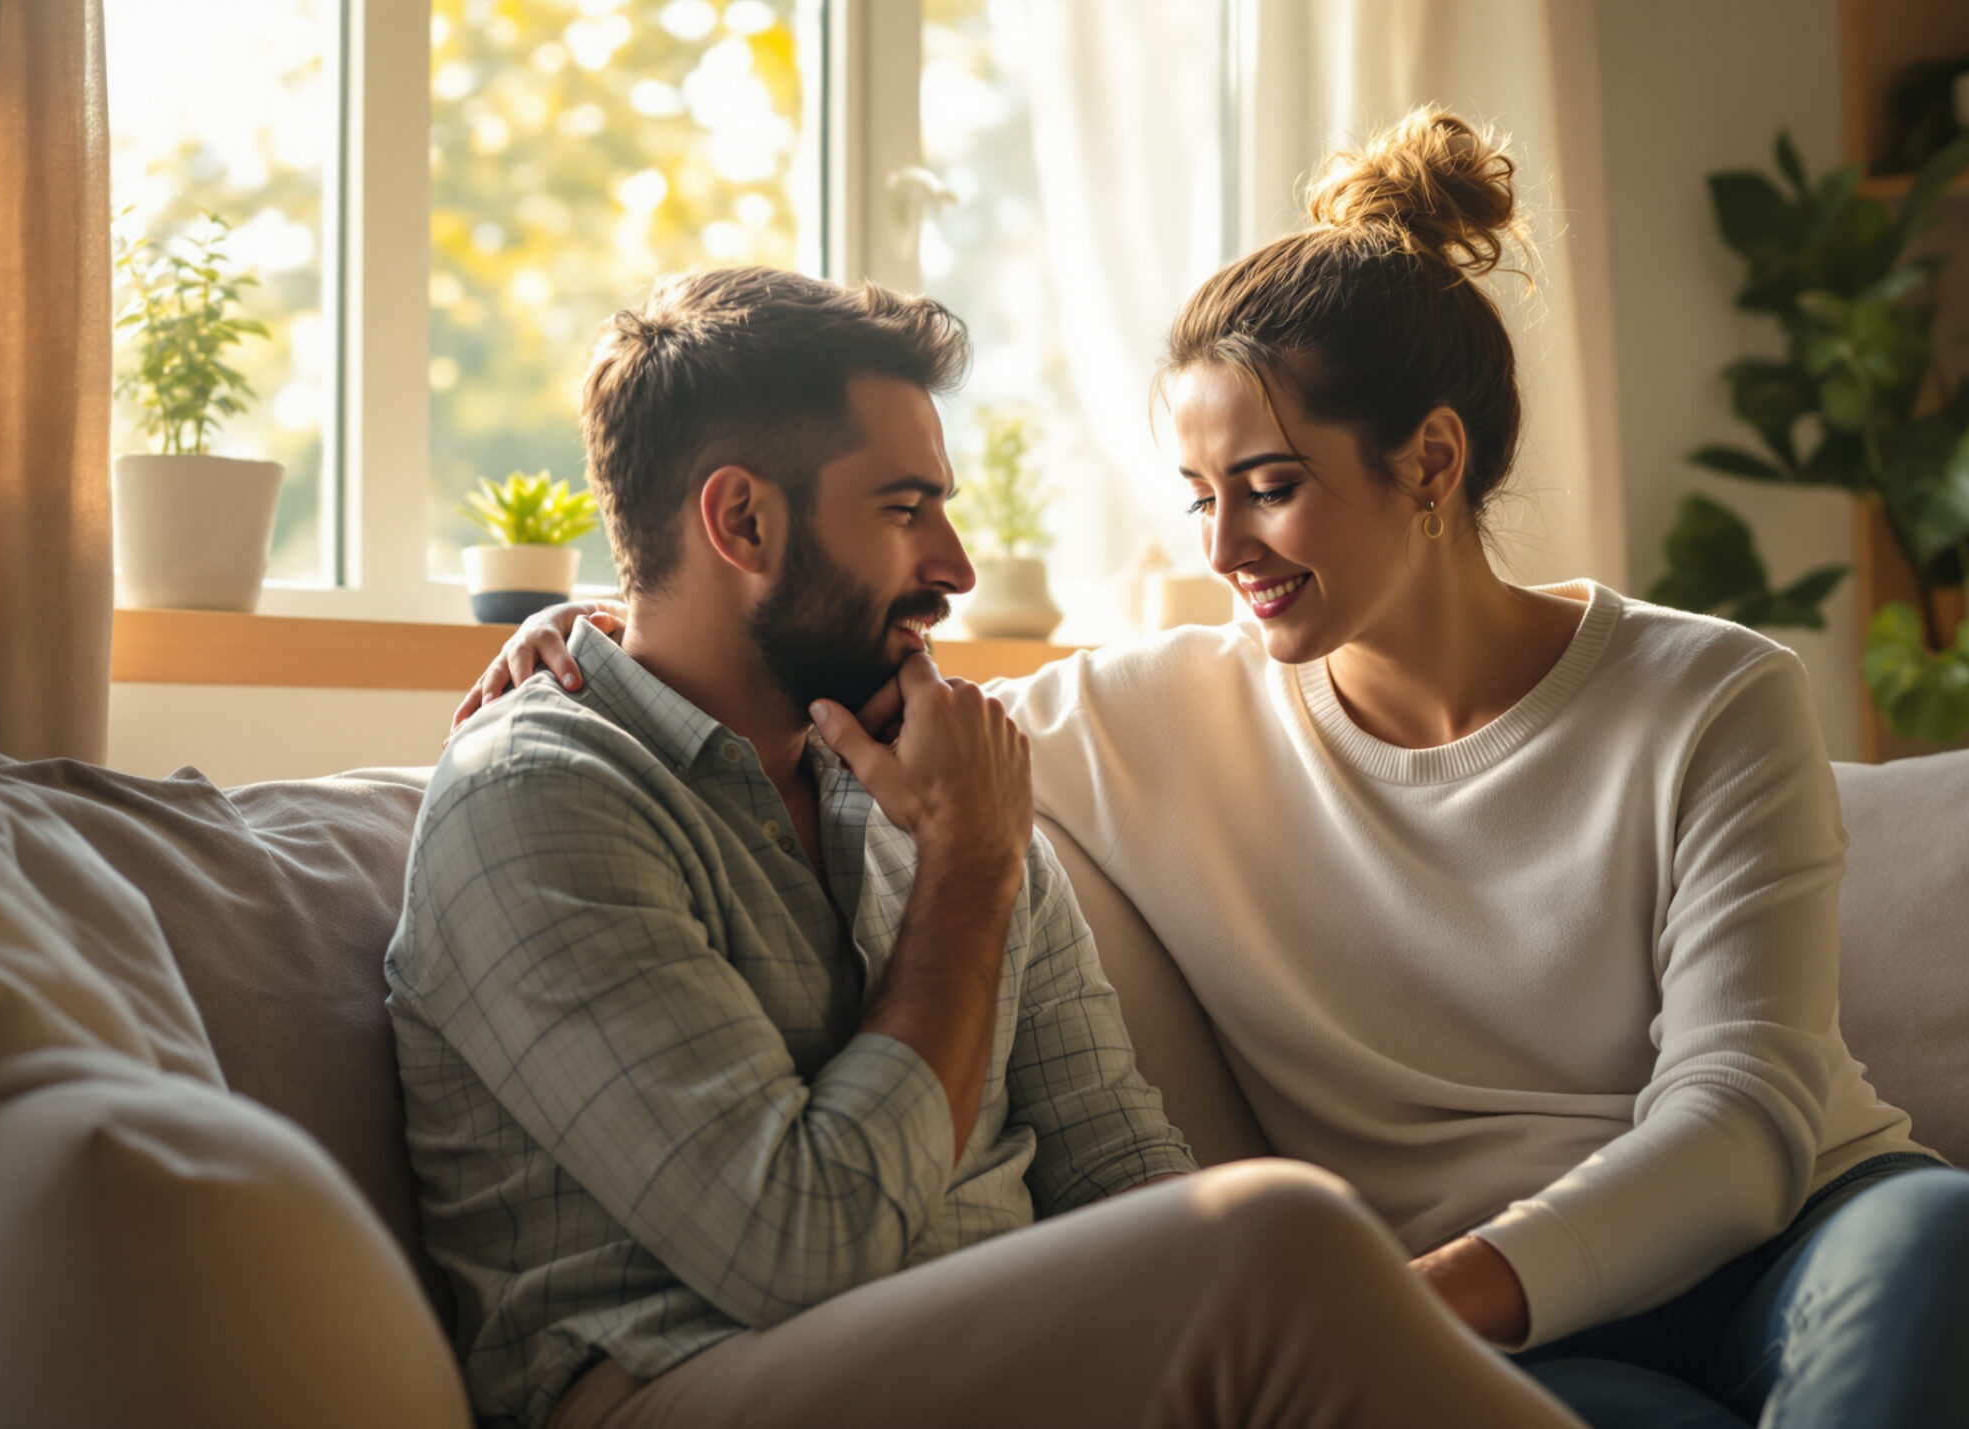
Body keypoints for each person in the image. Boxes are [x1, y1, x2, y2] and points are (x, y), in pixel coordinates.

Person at [469, 111, 1969, 1429]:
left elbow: (1744, 1121)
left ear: (1433, 461)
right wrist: (610, 620)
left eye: (1270, 485)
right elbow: (790, 649)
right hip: (1494, 1325)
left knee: (1960, 1238)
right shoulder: (1133, 716)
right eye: (1197, 496)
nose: (1226, 546)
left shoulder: (1709, 691)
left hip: (1766, 1236)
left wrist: (1394, 1302)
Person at [389, 265, 1586, 1429]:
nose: (955, 567)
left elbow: (1120, 1165)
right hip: (685, 1379)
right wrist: (966, 871)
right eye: (907, 510)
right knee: (1283, 1231)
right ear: (741, 519)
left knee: (1270, 1242)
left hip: (1002, 1363)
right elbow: (800, 1251)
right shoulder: (537, 803)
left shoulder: (927, 767)